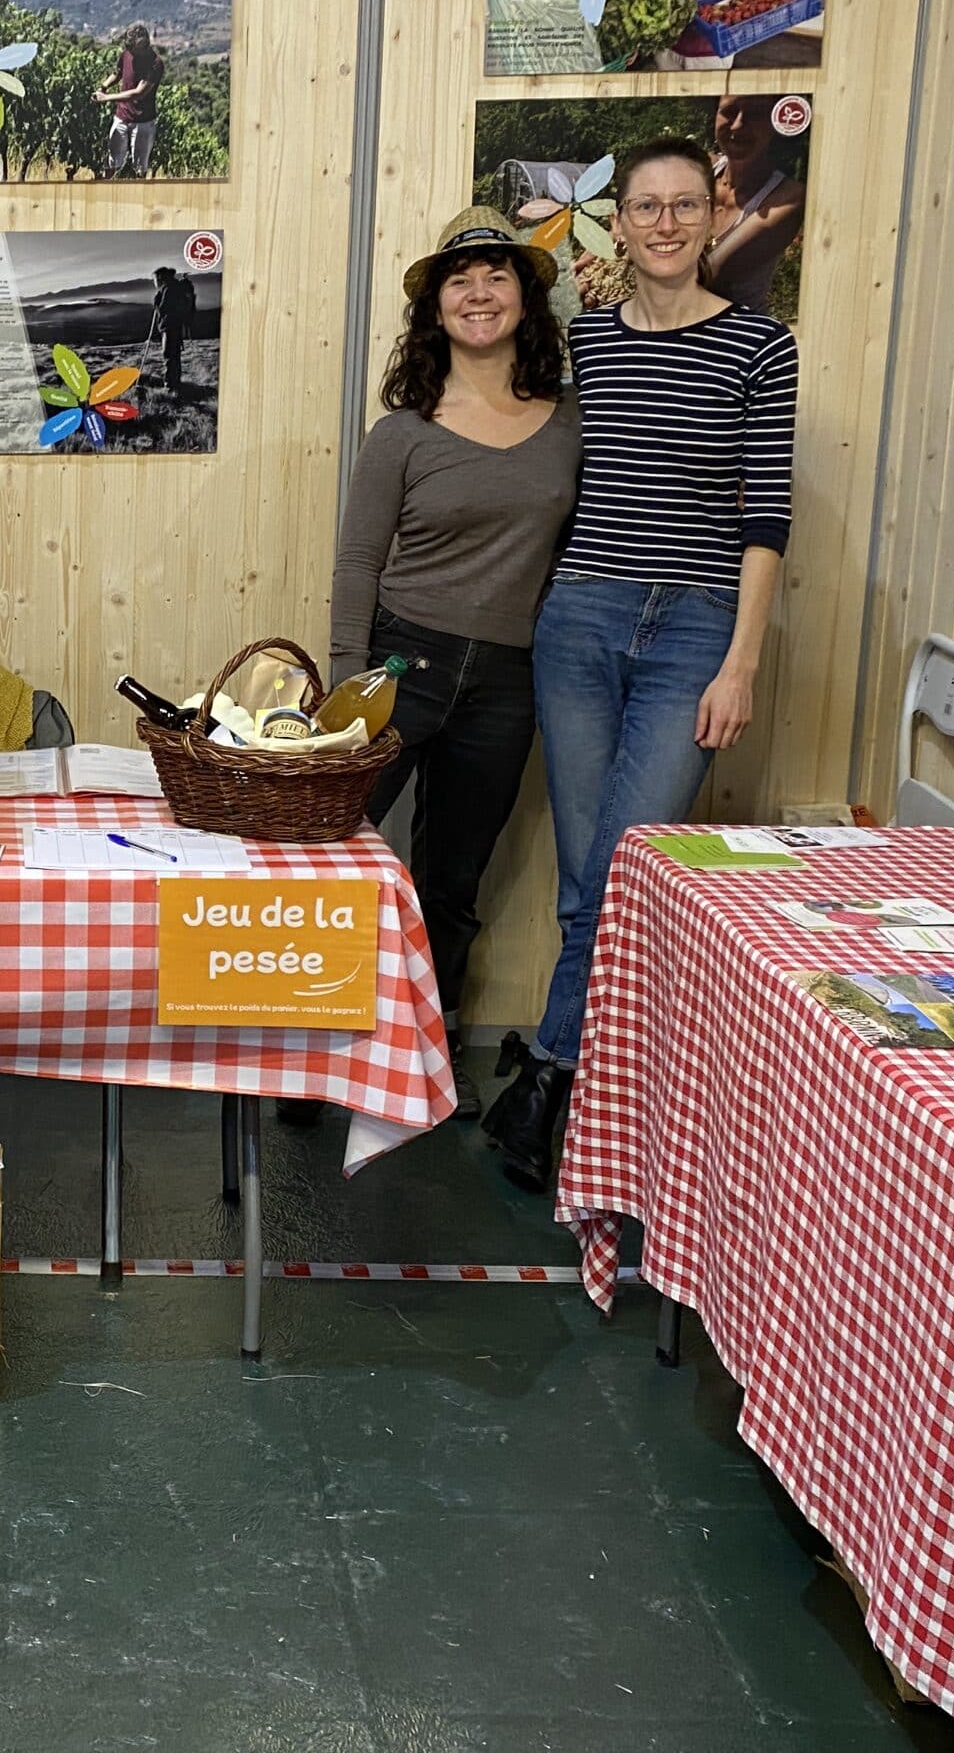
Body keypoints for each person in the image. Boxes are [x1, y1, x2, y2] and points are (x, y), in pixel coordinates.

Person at [486, 136, 794, 1193]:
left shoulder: (762, 348)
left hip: (697, 631)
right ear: (619, 223)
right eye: (645, 208)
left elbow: (769, 517)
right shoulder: (588, 346)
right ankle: (571, 1091)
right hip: (579, 620)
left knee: (626, 871)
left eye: (683, 206)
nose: (664, 224)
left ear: (714, 216)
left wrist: (741, 663)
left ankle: (549, 1076)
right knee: (589, 880)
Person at [333, 207, 580, 1076]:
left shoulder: (569, 424)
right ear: (436, 307)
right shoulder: (404, 430)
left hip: (509, 683)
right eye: (459, 279)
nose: (479, 292)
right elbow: (361, 558)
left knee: (453, 885)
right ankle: (322, 1045)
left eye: (496, 274)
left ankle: (425, 1055)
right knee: (336, 862)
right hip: (403, 661)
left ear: (526, 296)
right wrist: (344, 684)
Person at [703, 92, 808, 315]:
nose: (738, 125)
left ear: (774, 123)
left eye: (755, 115)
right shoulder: (700, 167)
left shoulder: (787, 198)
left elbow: (710, 275)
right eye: (729, 112)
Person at [96, 25, 162, 177]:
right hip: (121, 118)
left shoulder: (155, 64)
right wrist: (103, 87)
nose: (128, 50)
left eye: (131, 47)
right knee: (112, 163)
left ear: (142, 45)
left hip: (143, 123)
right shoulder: (126, 53)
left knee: (139, 168)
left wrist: (106, 98)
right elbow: (117, 73)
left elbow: (138, 93)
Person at [150, 265, 198, 394]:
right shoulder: (174, 286)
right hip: (175, 326)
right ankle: (176, 383)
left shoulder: (168, 288)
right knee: (174, 356)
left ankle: (170, 386)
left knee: (169, 355)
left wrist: (156, 302)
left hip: (169, 327)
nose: (155, 282)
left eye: (155, 279)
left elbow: (164, 309)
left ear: (160, 278)